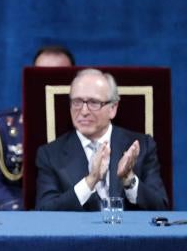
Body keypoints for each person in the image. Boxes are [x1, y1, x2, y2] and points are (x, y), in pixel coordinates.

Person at [35, 68, 168, 211]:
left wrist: (129, 180)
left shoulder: (142, 146)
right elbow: (44, 211)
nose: (84, 111)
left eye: (93, 103)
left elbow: (161, 207)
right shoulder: (50, 154)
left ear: (113, 108)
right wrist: (90, 181)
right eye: (77, 102)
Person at [0, 45, 74, 210]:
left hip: (69, 214)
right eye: (42, 76)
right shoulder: (3, 126)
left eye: (57, 76)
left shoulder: (84, 126)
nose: (48, 84)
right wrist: (27, 214)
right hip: (17, 217)